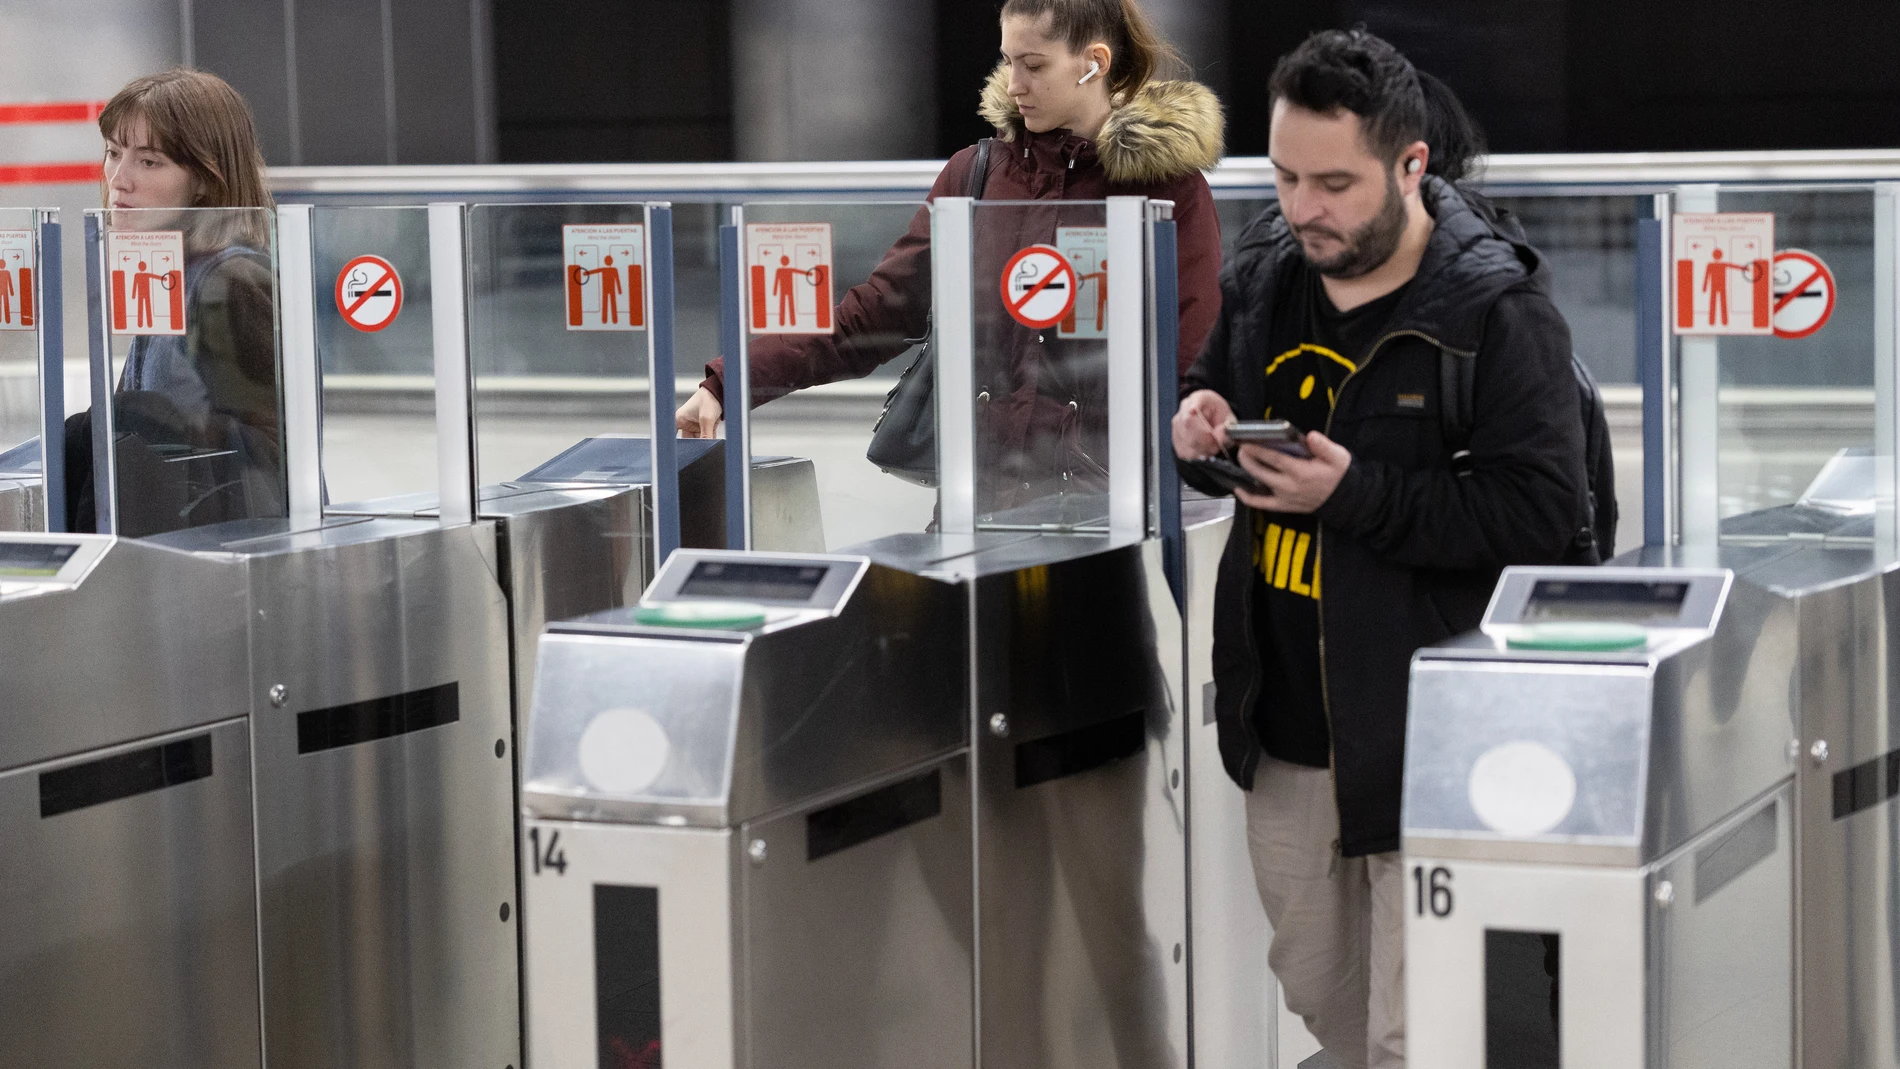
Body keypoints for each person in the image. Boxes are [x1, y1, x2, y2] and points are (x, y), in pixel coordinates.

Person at [1172, 31, 1588, 1069]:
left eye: (1334, 183)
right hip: (1287, 726)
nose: (1303, 205)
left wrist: (1354, 494)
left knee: (1425, 1035)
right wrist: (1195, 431)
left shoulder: (1494, 312)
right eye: (1283, 175)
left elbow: (1543, 516)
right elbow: (1211, 405)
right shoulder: (1269, 270)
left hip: (1428, 738)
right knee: (1323, 998)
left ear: (1411, 166)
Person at [677, 0, 1225, 512]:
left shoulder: (1165, 187)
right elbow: (875, 315)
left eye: (1034, 65)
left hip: (1109, 510)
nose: (1015, 85)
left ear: (1094, 63)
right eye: (1009, 62)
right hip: (977, 509)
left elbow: (1191, 351)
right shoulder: (977, 176)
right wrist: (729, 383)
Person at [66, 68, 283, 535]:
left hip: (231, 555)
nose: (118, 180)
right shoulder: (169, 266)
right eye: (113, 153)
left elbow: (274, 456)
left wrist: (158, 427)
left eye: (149, 162)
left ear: (205, 180)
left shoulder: (232, 280)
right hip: (174, 542)